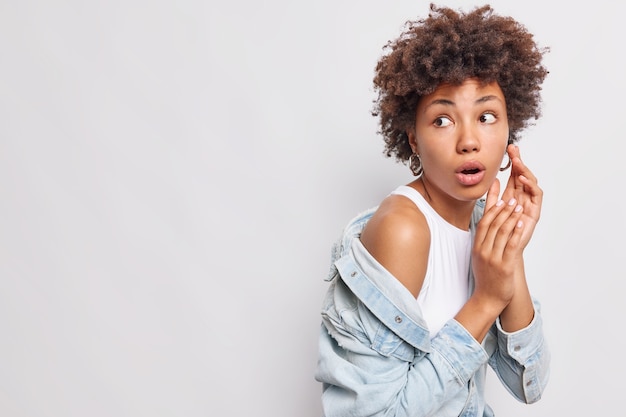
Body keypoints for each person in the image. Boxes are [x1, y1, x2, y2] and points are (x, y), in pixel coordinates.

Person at [315, 4, 551, 416]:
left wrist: (510, 248)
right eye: (442, 120)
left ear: (510, 127)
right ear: (412, 138)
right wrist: (486, 299)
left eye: (487, 115)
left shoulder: (481, 219)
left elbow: (528, 383)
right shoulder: (403, 229)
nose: (469, 140)